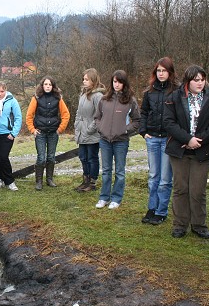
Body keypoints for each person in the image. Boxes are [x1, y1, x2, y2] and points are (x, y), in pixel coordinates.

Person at [163, 65, 209, 239]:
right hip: (179, 150)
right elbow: (168, 122)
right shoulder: (174, 97)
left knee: (198, 190)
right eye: (196, 80)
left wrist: (199, 140)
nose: (200, 83)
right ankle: (180, 224)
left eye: (202, 79)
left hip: (202, 150)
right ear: (188, 81)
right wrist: (186, 139)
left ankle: (199, 224)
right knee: (180, 188)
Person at [139, 57, 179, 225]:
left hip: (168, 139)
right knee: (153, 176)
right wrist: (143, 131)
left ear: (170, 72)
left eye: (164, 70)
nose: (161, 73)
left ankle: (161, 211)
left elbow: (180, 114)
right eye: (158, 70)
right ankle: (151, 208)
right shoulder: (149, 92)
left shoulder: (177, 91)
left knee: (164, 179)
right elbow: (144, 112)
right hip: (153, 138)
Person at [94, 70, 140, 209]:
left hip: (121, 141)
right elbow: (97, 117)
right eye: (114, 81)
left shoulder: (130, 100)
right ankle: (104, 198)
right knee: (106, 170)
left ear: (124, 83)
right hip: (104, 140)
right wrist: (101, 127)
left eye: (120, 82)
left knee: (119, 171)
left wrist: (125, 129)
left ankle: (116, 198)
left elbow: (137, 121)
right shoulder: (104, 99)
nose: (117, 84)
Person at [26, 76, 70, 190]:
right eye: (46, 84)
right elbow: (29, 116)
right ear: (42, 86)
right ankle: (39, 181)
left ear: (53, 86)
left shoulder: (58, 98)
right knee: (41, 157)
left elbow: (66, 115)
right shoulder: (36, 98)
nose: (48, 86)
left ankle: (49, 179)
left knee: (51, 157)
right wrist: (32, 129)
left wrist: (60, 129)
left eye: (50, 84)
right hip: (40, 133)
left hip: (53, 133)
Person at [74, 68, 105, 192]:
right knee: (83, 157)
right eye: (83, 79)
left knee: (92, 158)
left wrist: (90, 129)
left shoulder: (98, 96)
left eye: (87, 79)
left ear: (93, 80)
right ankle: (85, 180)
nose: (84, 81)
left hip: (92, 133)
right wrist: (77, 125)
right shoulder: (83, 94)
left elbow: (100, 115)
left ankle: (92, 182)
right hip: (81, 132)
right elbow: (78, 112)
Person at [0, 81, 22, 191]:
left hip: (7, 134)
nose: (0, 94)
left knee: (3, 157)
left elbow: (18, 117)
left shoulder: (12, 101)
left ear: (6, 90)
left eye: (2, 91)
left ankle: (10, 181)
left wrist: (13, 133)